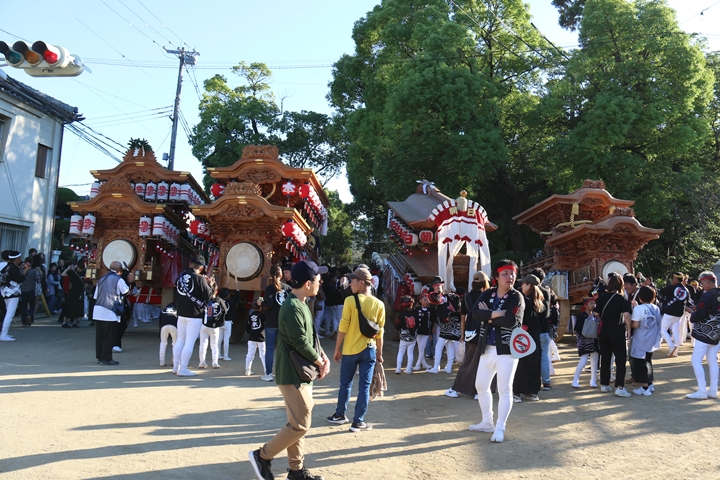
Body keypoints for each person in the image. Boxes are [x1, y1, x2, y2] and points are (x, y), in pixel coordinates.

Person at [248, 260, 329, 480]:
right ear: (308, 283)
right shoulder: (292, 307)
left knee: (297, 424)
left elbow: (311, 337)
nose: (320, 283)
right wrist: (320, 362)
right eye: (318, 280)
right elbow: (299, 341)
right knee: (301, 425)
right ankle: (262, 456)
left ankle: (296, 470)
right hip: (293, 372)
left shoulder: (301, 303)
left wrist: (322, 356)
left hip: (301, 372)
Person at [469, 259, 524, 443]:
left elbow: (512, 320)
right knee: (481, 385)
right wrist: (497, 314)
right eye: (505, 273)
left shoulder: (516, 297)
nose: (510, 277)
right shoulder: (488, 294)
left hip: (507, 350)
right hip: (487, 347)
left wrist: (488, 316)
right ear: (496, 276)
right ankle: (487, 421)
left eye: (512, 273)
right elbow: (475, 314)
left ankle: (500, 427)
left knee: (504, 389)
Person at [327, 266, 385, 432]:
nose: (350, 283)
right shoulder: (379, 304)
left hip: (350, 350)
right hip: (369, 350)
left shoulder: (350, 301)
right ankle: (358, 421)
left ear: (362, 283)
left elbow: (343, 327)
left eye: (353, 280)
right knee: (364, 387)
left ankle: (340, 415)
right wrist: (379, 353)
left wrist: (337, 349)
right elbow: (380, 332)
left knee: (345, 384)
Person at [445, 271, 491, 398]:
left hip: (471, 332)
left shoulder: (466, 297)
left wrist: (462, 334)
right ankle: (479, 391)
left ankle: (456, 389)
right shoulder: (488, 296)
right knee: (483, 363)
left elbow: (463, 317)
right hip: (486, 332)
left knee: (468, 361)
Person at [173, 255, 215, 377]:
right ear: (201, 268)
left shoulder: (180, 276)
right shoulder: (200, 278)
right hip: (195, 314)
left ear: (190, 263)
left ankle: (175, 367)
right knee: (189, 342)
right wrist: (210, 285)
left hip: (181, 312)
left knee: (180, 340)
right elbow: (208, 296)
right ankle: (183, 368)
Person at [594, 275, 633, 397]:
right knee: (620, 360)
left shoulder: (602, 297)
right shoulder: (621, 298)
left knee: (605, 358)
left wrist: (603, 320)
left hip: (604, 331)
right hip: (617, 330)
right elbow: (626, 315)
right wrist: (629, 330)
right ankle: (620, 387)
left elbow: (596, 313)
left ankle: (604, 384)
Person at [513, 274, 547, 403]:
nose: (521, 285)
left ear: (529, 285)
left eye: (523, 283)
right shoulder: (541, 303)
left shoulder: (523, 301)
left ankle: (517, 392)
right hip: (535, 336)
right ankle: (532, 392)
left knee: (520, 364)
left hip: (522, 336)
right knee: (534, 363)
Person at [686, 271, 720, 399]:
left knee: (696, 359)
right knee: (712, 361)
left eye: (702, 283)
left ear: (707, 282)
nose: (702, 285)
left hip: (704, 332)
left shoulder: (707, 296)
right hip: (717, 331)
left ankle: (702, 390)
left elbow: (700, 315)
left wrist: (693, 314)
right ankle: (713, 390)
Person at [93, 261, 130, 365]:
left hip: (98, 310)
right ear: (119, 271)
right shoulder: (118, 279)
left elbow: (95, 296)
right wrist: (129, 282)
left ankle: (100, 357)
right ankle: (106, 358)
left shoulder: (101, 279)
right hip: (110, 311)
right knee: (109, 337)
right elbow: (126, 291)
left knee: (100, 336)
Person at [629, 286, 662, 396]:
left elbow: (636, 324)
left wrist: (629, 324)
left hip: (641, 338)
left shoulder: (638, 309)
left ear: (640, 297)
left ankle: (644, 387)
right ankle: (650, 383)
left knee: (640, 362)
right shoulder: (656, 308)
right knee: (648, 360)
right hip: (652, 338)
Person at [426, 277, 462, 374]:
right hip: (452, 326)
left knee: (439, 346)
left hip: (448, 326)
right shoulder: (447, 298)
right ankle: (448, 367)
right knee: (449, 346)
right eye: (436, 287)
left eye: (439, 287)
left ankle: (436, 367)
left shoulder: (448, 298)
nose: (438, 289)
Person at [262, 264, 291, 382]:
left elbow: (268, 304)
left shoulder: (269, 289)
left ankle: (268, 373)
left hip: (271, 321)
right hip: (284, 322)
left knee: (269, 349)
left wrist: (261, 303)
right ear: (281, 275)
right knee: (283, 349)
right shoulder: (288, 288)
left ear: (270, 275)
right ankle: (283, 372)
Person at [659, 273, 690, 357]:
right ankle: (675, 352)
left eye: (673, 278)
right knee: (675, 332)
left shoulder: (671, 287)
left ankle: (671, 346)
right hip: (679, 314)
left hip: (669, 312)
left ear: (676, 279)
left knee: (662, 329)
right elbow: (687, 300)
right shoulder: (686, 290)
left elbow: (661, 292)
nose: (672, 280)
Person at [1, 251, 29, 341]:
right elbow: (19, 279)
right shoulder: (13, 268)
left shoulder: (7, 267)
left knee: (8, 313)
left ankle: (4, 333)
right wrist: (24, 272)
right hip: (13, 292)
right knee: (10, 314)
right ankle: (3, 334)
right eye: (19, 258)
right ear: (16, 259)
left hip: (5, 292)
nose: (20, 259)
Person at [572, 298, 599, 388]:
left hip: (594, 340)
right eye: (591, 303)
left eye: (594, 303)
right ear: (586, 305)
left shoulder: (596, 315)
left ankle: (593, 380)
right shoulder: (582, 316)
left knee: (594, 362)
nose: (593, 305)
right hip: (584, 341)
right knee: (583, 361)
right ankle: (575, 380)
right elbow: (579, 329)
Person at [198, 286, 227, 369]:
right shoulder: (219, 300)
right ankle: (215, 363)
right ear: (216, 292)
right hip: (214, 326)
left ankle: (202, 362)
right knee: (214, 345)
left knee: (203, 344)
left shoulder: (205, 300)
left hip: (204, 324)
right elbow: (225, 310)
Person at [394, 295, 417, 375]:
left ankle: (398, 369)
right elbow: (418, 325)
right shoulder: (415, 314)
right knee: (410, 353)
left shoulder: (401, 315)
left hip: (403, 336)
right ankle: (409, 369)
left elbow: (396, 325)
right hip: (413, 337)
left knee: (401, 352)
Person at [413, 292, 436, 371]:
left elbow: (432, 321)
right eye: (424, 300)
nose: (426, 301)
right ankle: (424, 363)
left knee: (422, 348)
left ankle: (418, 364)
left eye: (427, 300)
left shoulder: (430, 310)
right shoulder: (416, 310)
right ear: (420, 301)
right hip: (418, 331)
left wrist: (431, 331)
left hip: (426, 331)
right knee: (420, 348)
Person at [61, 260, 86, 328]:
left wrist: (86, 285)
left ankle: (75, 322)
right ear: (77, 267)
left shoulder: (84, 273)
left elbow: (87, 280)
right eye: (79, 268)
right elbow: (63, 274)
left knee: (78, 307)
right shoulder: (72, 272)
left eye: (81, 269)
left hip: (79, 292)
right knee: (68, 306)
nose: (80, 270)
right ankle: (64, 322)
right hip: (71, 292)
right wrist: (68, 268)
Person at [19, 255, 43, 326]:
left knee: (24, 306)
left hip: (23, 290)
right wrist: (40, 271)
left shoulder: (21, 271)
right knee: (32, 305)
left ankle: (23, 322)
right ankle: (30, 315)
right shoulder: (34, 271)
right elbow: (39, 279)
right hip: (31, 290)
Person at [246, 298, 267, 376]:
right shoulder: (263, 316)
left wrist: (250, 333)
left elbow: (247, 327)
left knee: (250, 355)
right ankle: (266, 371)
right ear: (261, 307)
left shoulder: (250, 316)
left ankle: (247, 371)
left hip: (252, 337)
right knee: (263, 355)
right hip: (261, 338)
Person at [218, 288, 237, 361]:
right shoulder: (231, 302)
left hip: (220, 322)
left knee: (219, 339)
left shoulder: (218, 301)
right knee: (226, 340)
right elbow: (236, 298)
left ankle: (218, 355)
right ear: (228, 295)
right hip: (228, 322)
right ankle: (225, 356)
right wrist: (237, 290)